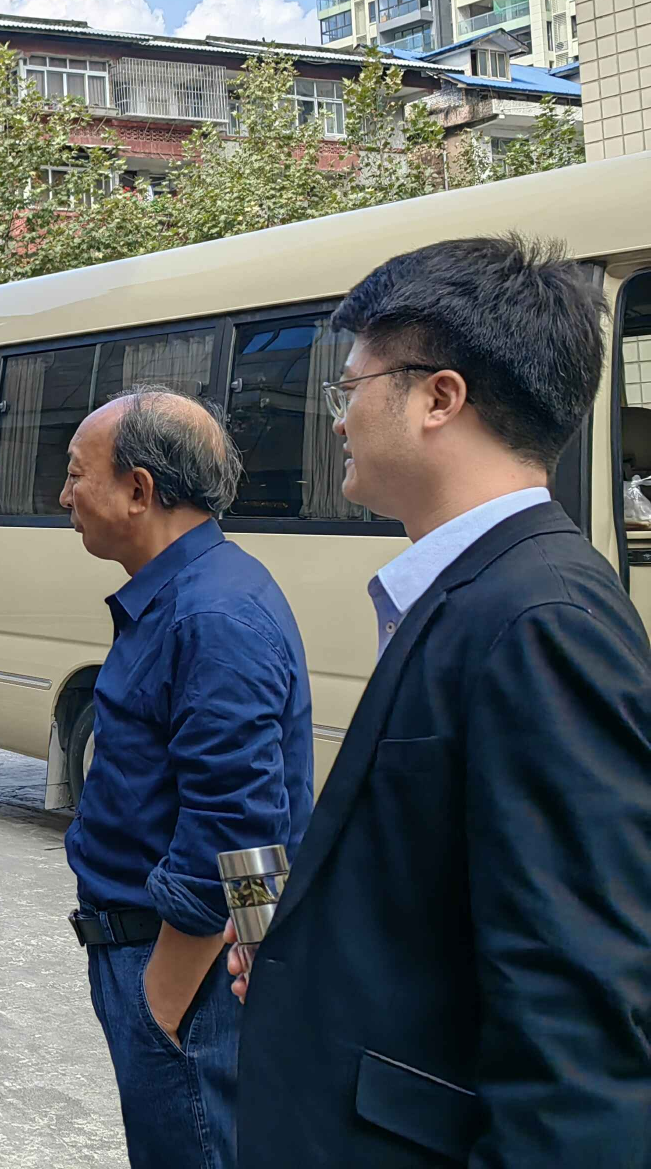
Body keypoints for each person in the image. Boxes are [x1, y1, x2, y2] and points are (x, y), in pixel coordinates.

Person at [232, 236, 651, 1165]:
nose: (338, 421)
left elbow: (577, 1021)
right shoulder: (480, 591)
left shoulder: (541, 619)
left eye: (350, 389)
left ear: (438, 397)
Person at [58, 387, 313, 1169]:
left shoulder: (211, 614)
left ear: (138, 490)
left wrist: (162, 1006)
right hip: (170, 962)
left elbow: (239, 830)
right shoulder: (192, 593)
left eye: (76, 473)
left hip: (183, 973)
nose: (65, 496)